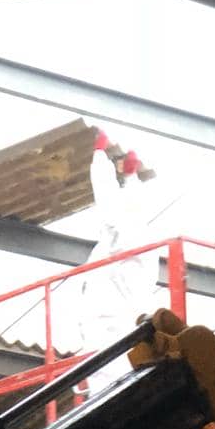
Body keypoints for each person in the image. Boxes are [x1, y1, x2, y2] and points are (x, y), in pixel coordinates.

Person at [73, 130, 162, 386]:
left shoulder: (118, 240)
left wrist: (99, 156)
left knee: (107, 387)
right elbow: (129, 208)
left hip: (109, 333)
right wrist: (131, 177)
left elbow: (107, 201)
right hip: (131, 330)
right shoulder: (143, 240)